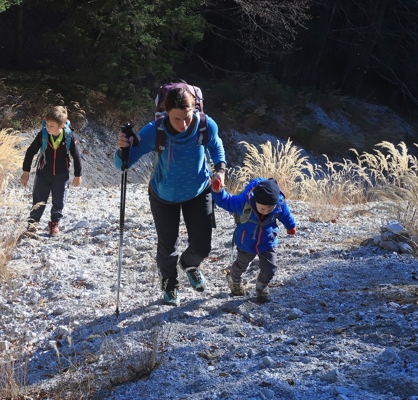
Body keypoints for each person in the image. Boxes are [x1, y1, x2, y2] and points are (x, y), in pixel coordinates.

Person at [114, 86, 227, 307]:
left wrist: (220, 170)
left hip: (199, 191)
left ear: (194, 108)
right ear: (166, 112)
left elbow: (216, 146)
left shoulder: (205, 125)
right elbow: (123, 164)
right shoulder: (154, 131)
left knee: (202, 246)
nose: (183, 124)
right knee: (168, 246)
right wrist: (122, 149)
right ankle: (169, 284)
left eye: (187, 117)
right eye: (177, 119)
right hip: (164, 196)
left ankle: (189, 264)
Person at [211, 177, 297, 303]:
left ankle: (261, 287)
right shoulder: (245, 201)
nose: (266, 211)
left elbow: (286, 215)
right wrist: (217, 191)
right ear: (255, 201)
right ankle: (233, 279)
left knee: (271, 267)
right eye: (263, 209)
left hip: (268, 242)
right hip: (246, 242)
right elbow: (227, 201)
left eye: (270, 209)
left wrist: (291, 226)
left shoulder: (279, 203)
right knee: (241, 265)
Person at [20, 106, 82, 236]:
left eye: (51, 126)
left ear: (61, 126)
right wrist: (26, 172)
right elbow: (30, 152)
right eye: (47, 124)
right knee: (38, 200)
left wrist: (78, 175)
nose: (48, 127)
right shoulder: (43, 135)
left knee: (59, 201)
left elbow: (76, 156)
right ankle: (32, 225)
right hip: (43, 173)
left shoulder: (69, 137)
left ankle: (54, 223)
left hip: (61, 174)